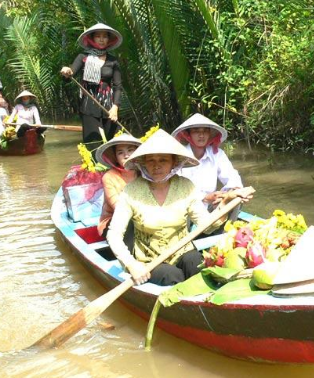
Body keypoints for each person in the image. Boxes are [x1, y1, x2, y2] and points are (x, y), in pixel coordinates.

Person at [106, 129, 251, 286]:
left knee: (196, 262)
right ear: (143, 164)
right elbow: (114, 235)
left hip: (182, 252)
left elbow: (207, 226)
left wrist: (226, 201)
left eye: (163, 160)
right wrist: (132, 265)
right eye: (151, 161)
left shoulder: (185, 187)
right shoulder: (131, 192)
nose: (156, 166)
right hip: (150, 261)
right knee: (171, 275)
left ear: (174, 163)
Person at [60, 23, 123, 144]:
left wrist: (115, 107)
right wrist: (67, 71)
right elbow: (70, 73)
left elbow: (118, 86)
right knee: (92, 142)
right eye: (98, 36)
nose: (101, 39)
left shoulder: (112, 61)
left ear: (109, 39)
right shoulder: (83, 57)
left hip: (108, 106)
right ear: (92, 38)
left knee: (115, 142)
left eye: (104, 36)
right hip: (89, 104)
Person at [172, 113, 243, 209]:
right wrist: (204, 198)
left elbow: (232, 176)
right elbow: (175, 189)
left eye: (205, 131)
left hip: (210, 206)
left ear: (210, 134)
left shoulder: (217, 154)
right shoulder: (179, 156)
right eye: (196, 131)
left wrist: (229, 193)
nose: (201, 135)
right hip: (185, 206)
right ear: (188, 134)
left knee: (236, 199)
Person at [95, 134, 142, 239]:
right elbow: (119, 208)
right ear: (115, 157)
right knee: (130, 223)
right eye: (120, 153)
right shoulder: (109, 177)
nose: (126, 155)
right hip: (114, 221)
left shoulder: (144, 174)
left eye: (130, 150)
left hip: (143, 218)